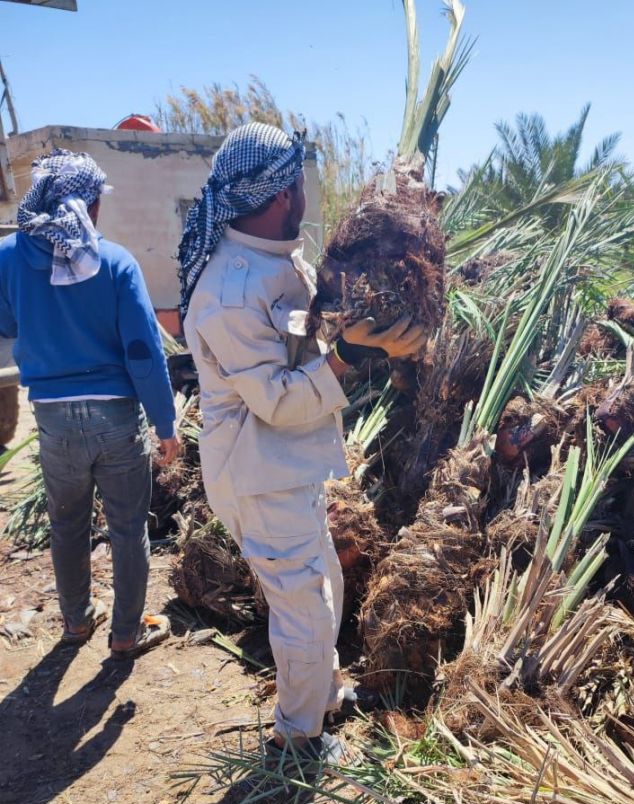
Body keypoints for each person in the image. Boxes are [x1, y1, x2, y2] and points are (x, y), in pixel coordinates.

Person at [180, 123, 425, 763]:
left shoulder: (281, 262)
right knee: (303, 608)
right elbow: (279, 399)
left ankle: (323, 693)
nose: (304, 194)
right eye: (298, 182)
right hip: (258, 472)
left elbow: (311, 338)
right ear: (282, 192)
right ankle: (296, 738)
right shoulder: (232, 291)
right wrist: (347, 354)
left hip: (288, 465)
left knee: (325, 589)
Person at [0, 149, 180, 658]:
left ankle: (76, 623)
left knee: (67, 524)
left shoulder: (9, 257)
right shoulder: (116, 261)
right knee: (127, 528)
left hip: (53, 420)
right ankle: (125, 633)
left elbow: (7, 324)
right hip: (115, 416)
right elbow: (144, 352)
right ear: (90, 205)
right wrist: (166, 425)